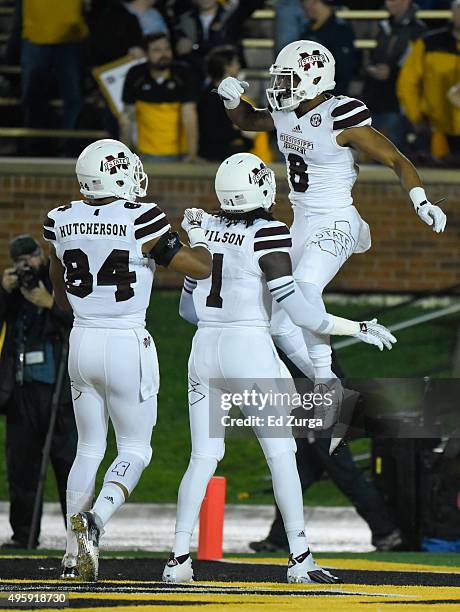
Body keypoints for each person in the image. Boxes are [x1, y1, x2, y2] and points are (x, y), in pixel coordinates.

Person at [162, 152, 396, 585]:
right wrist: (356, 325)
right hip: (248, 348)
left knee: (202, 457)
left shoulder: (198, 226)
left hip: (203, 349)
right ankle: (299, 556)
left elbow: (186, 312)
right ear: (262, 188)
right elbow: (303, 314)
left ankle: (177, 559)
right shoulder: (268, 233)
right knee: (282, 454)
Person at [216, 39, 447, 451]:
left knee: (303, 290)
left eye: (288, 78)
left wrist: (422, 200)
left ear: (314, 79)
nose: (280, 86)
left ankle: (331, 392)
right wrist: (232, 101)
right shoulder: (287, 112)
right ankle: (335, 392)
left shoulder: (339, 114)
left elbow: (395, 158)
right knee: (280, 321)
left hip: (337, 219)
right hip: (301, 222)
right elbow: (248, 121)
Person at [43, 138, 212, 581]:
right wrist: (201, 238)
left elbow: (58, 283)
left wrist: (71, 304)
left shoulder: (59, 218)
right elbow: (197, 267)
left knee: (88, 448)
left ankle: (69, 555)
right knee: (136, 448)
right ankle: (94, 521)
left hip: (81, 340)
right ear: (117, 174)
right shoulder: (141, 217)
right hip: (124, 340)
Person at [0, 235, 76, 549]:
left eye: (31, 257)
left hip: (60, 392)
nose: (27, 266)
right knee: (22, 467)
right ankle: (24, 535)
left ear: (40, 255)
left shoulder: (59, 282)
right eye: (20, 262)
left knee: (69, 465)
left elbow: (80, 321)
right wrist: (3, 292)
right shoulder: (13, 291)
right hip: (20, 393)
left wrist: (49, 303)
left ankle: (79, 537)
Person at [120, 32, 201, 163]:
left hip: (180, 154)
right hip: (145, 155)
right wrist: (123, 156)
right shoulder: (135, 74)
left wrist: (192, 154)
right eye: (157, 50)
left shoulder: (184, 73)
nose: (164, 54)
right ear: (146, 54)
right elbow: (127, 118)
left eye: (167, 49)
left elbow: (189, 115)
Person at [20, 0, 88, 154]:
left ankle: (67, 146)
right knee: (34, 98)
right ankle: (36, 146)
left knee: (72, 99)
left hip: (70, 37)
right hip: (37, 35)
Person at [397, 0, 460, 161]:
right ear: (453, 13)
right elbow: (407, 82)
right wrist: (416, 117)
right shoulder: (429, 43)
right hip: (436, 131)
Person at [363, 0, 426, 154]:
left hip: (397, 99)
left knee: (396, 148)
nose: (388, 3)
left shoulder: (418, 30)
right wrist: (371, 68)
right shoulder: (383, 26)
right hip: (376, 95)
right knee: (373, 148)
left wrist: (392, 71)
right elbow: (371, 54)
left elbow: (413, 64)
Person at [198, 46, 271, 162]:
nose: (238, 66)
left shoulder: (222, 94)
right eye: (235, 62)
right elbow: (215, 133)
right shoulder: (211, 97)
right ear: (226, 67)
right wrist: (241, 134)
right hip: (216, 159)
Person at [300, 0, 356, 96]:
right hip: (309, 92)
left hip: (331, 94)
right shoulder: (308, 29)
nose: (305, 5)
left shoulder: (340, 30)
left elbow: (344, 69)